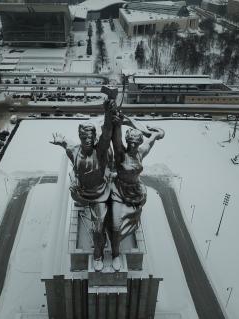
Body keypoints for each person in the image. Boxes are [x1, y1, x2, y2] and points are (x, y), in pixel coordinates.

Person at [50, 100, 114, 271]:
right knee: (94, 223)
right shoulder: (74, 150)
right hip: (82, 194)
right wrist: (61, 142)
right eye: (84, 137)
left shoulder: (99, 152)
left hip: (100, 195)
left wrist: (108, 113)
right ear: (80, 137)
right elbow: (66, 144)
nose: (87, 140)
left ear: (94, 138)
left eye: (90, 137)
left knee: (98, 229)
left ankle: (98, 255)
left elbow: (107, 133)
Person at [109, 114, 165, 271]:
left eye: (136, 143)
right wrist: (118, 124)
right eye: (130, 142)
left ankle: (119, 241)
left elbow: (152, 140)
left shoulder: (141, 152)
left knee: (130, 222)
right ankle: (115, 254)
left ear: (139, 143)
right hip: (119, 191)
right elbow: (116, 139)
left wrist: (156, 133)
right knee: (115, 225)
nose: (133, 145)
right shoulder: (121, 154)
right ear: (127, 142)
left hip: (135, 193)